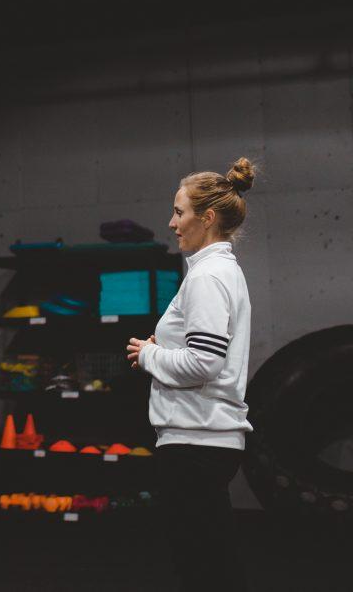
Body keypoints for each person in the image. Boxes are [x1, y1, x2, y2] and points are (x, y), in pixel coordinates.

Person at [126, 158, 256, 591]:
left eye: (179, 212)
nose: (172, 222)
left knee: (204, 567)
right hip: (202, 440)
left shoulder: (208, 277)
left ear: (209, 218)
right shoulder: (218, 272)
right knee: (210, 562)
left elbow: (204, 362)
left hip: (196, 442)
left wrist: (148, 355)